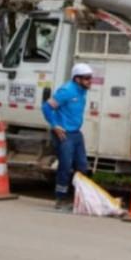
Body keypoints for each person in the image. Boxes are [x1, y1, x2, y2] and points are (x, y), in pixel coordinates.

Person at [42, 62, 94, 209]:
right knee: (65, 165)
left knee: (82, 166)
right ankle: (60, 198)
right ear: (77, 79)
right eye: (87, 78)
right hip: (64, 135)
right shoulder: (66, 91)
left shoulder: (82, 90)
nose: (90, 81)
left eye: (90, 78)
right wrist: (55, 125)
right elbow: (46, 107)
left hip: (76, 133)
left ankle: (80, 198)